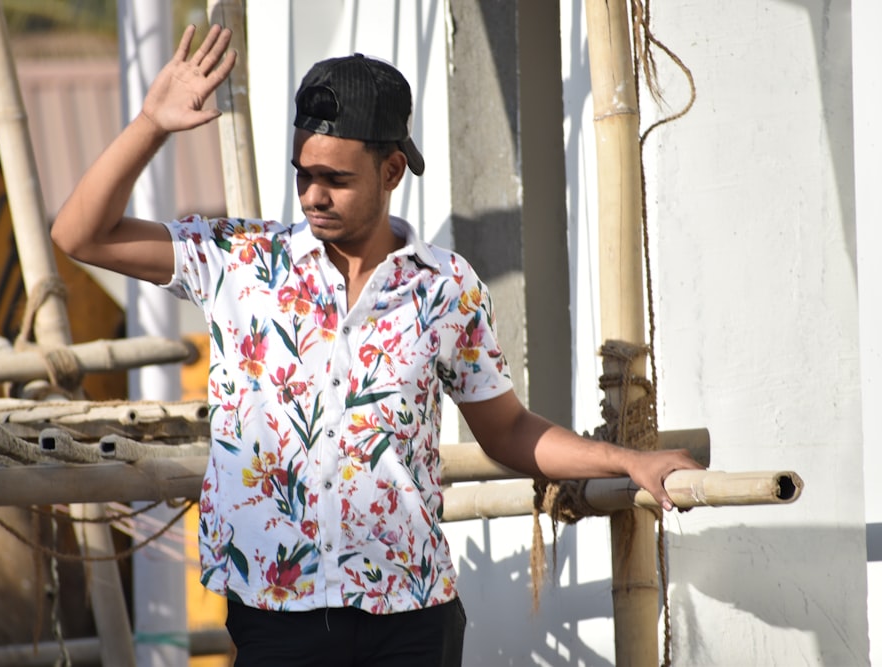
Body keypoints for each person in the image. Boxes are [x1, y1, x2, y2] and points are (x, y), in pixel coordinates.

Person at [51, 23, 704, 667]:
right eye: (302, 174)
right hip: (277, 616)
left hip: (411, 615)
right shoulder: (240, 261)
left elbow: (506, 430)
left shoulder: (446, 286)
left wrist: (624, 460)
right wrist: (151, 124)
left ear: (392, 168)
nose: (312, 195)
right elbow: (80, 234)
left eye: (333, 177)